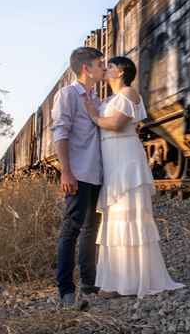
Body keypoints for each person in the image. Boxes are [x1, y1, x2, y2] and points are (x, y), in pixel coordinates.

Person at [83, 56, 184, 298]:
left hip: (125, 159)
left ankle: (131, 282)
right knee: (115, 216)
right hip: (113, 159)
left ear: (121, 72)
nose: (106, 69)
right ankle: (117, 280)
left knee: (128, 214)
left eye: (111, 67)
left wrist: (93, 115)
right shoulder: (110, 98)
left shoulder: (129, 93)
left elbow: (116, 124)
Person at [51, 47, 106, 309]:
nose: (103, 68)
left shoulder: (95, 98)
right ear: (87, 69)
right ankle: (65, 291)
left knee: (90, 230)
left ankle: (89, 283)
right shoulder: (68, 95)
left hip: (95, 174)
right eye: (100, 64)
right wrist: (66, 170)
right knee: (70, 230)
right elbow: (60, 133)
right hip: (78, 173)